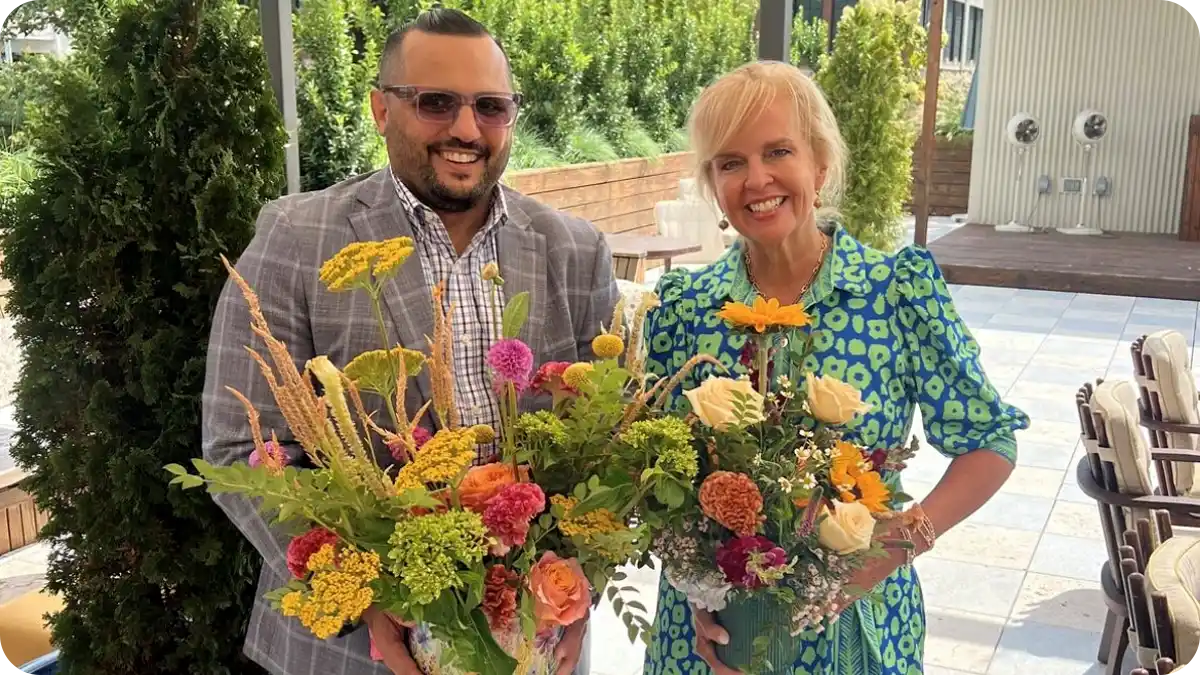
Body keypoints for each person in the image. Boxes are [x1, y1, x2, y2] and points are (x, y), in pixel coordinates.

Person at [201, 8, 617, 675]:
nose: (464, 128)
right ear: (381, 109)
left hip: (532, 652)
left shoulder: (575, 250)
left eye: (490, 106)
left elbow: (607, 451)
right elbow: (240, 448)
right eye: (435, 103)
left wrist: (578, 586)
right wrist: (368, 595)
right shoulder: (296, 239)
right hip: (348, 656)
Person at [639, 61, 1030, 675]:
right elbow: (654, 474)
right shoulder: (685, 307)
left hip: (858, 621)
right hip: (712, 639)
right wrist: (695, 593)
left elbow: (989, 442)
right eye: (730, 162)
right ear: (712, 183)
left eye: (778, 151)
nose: (756, 179)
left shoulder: (895, 291)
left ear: (819, 166)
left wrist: (895, 543)